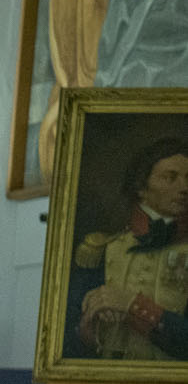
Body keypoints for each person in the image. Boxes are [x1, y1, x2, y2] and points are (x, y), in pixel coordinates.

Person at [68, 136, 188, 360]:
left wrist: (134, 306)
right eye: (170, 178)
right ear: (142, 188)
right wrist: (88, 327)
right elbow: (66, 340)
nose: (184, 188)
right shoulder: (99, 250)